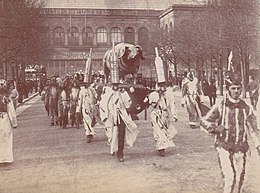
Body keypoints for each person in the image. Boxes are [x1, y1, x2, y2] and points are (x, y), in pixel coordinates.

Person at [200, 73, 260, 193]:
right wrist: (214, 128)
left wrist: (258, 144)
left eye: (238, 88)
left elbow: (254, 128)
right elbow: (204, 121)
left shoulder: (245, 106)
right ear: (228, 89)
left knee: (242, 180)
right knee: (230, 178)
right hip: (225, 148)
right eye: (233, 88)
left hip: (242, 149)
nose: (236, 91)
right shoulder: (221, 105)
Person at [105, 83, 139, 162]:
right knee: (112, 135)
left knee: (121, 134)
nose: (116, 87)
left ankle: (120, 153)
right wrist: (111, 114)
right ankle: (113, 148)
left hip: (121, 116)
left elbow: (128, 104)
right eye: (114, 85)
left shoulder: (123, 93)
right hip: (111, 117)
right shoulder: (109, 93)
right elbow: (106, 105)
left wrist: (123, 94)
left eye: (117, 85)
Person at [146, 82, 178, 157]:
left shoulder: (168, 94)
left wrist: (174, 115)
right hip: (156, 114)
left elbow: (172, 104)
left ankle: (163, 147)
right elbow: (151, 104)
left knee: (166, 132)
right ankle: (161, 149)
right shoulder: (154, 94)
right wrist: (156, 98)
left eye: (164, 85)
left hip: (165, 115)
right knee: (158, 131)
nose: (163, 87)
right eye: (161, 85)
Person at [0, 79, 17, 164]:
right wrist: (14, 123)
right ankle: (6, 158)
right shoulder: (6, 98)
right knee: (6, 138)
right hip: (5, 118)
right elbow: (11, 110)